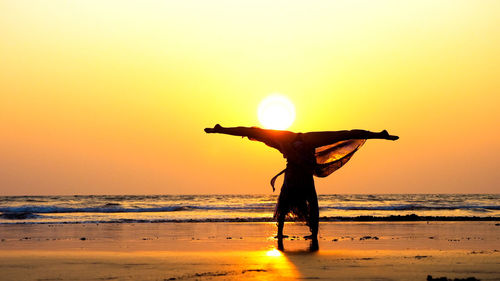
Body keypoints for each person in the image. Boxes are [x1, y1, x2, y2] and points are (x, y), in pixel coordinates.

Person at [204, 124, 398, 242]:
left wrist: (380, 135)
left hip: (300, 175)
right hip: (297, 175)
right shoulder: (283, 139)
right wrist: (220, 130)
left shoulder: (288, 139)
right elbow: (250, 131)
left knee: (299, 202)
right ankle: (290, 234)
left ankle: (302, 234)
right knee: (293, 202)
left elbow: (344, 134)